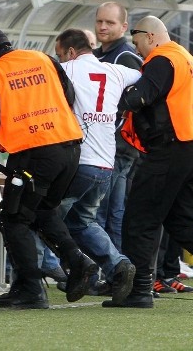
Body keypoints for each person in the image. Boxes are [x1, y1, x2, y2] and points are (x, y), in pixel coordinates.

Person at [104, 16, 193, 308]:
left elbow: (141, 98)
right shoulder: (187, 59)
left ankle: (141, 291)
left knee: (140, 218)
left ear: (150, 36)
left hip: (170, 148)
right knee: (180, 220)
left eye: (138, 42)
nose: (139, 50)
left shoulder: (162, 59)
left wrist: (114, 98)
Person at [0, 26, 97, 310]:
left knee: (13, 220)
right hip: (71, 147)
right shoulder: (43, 58)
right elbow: (69, 96)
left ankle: (31, 290)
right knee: (40, 212)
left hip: (35, 153)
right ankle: (77, 262)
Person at [54, 28, 140, 304]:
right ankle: (117, 265)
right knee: (83, 221)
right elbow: (143, 75)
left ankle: (64, 271)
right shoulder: (115, 71)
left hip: (78, 162)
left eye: (59, 53)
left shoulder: (65, 68)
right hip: (106, 165)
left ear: (69, 51)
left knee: (45, 218)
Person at [92, 2, 142, 252]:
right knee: (106, 212)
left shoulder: (126, 56)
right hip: (105, 146)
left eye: (109, 22)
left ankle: (117, 271)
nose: (102, 26)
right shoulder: (98, 55)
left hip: (118, 146)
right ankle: (115, 271)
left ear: (123, 26)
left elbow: (139, 98)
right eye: (99, 21)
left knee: (109, 213)